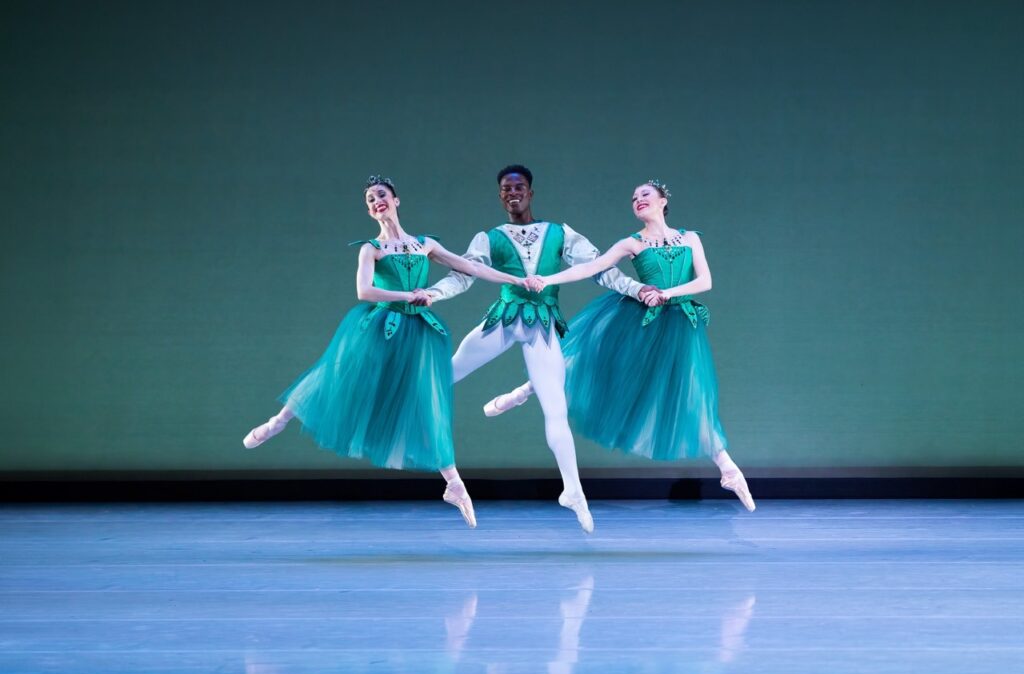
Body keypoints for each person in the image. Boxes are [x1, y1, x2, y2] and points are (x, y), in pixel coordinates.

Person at [242, 175, 528, 527]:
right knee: (337, 375)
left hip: (419, 334)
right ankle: (278, 421)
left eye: (381, 195)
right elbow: (364, 291)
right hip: (380, 326)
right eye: (369, 199)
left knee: (425, 402)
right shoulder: (370, 249)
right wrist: (408, 295)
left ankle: (454, 483)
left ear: (396, 200)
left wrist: (517, 281)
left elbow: (471, 267)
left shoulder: (424, 244)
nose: (375, 201)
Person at [419, 165, 662, 533]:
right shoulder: (491, 237)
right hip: (502, 320)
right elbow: (463, 274)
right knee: (443, 376)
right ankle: (444, 469)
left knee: (556, 408)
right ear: (500, 196)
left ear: (531, 192)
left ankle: (574, 490)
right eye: (505, 188)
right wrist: (433, 294)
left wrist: (636, 288)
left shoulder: (559, 233)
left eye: (518, 186)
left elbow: (600, 268)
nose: (512, 192)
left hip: (543, 327)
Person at [496, 180, 755, 511]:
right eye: (633, 198)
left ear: (663, 200)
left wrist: (667, 294)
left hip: (678, 324)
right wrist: (549, 279)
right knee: (588, 360)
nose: (638, 200)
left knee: (689, 393)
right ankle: (525, 390)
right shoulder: (632, 243)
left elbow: (705, 281)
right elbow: (591, 267)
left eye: (645, 194)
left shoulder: (690, 238)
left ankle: (728, 469)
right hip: (635, 318)